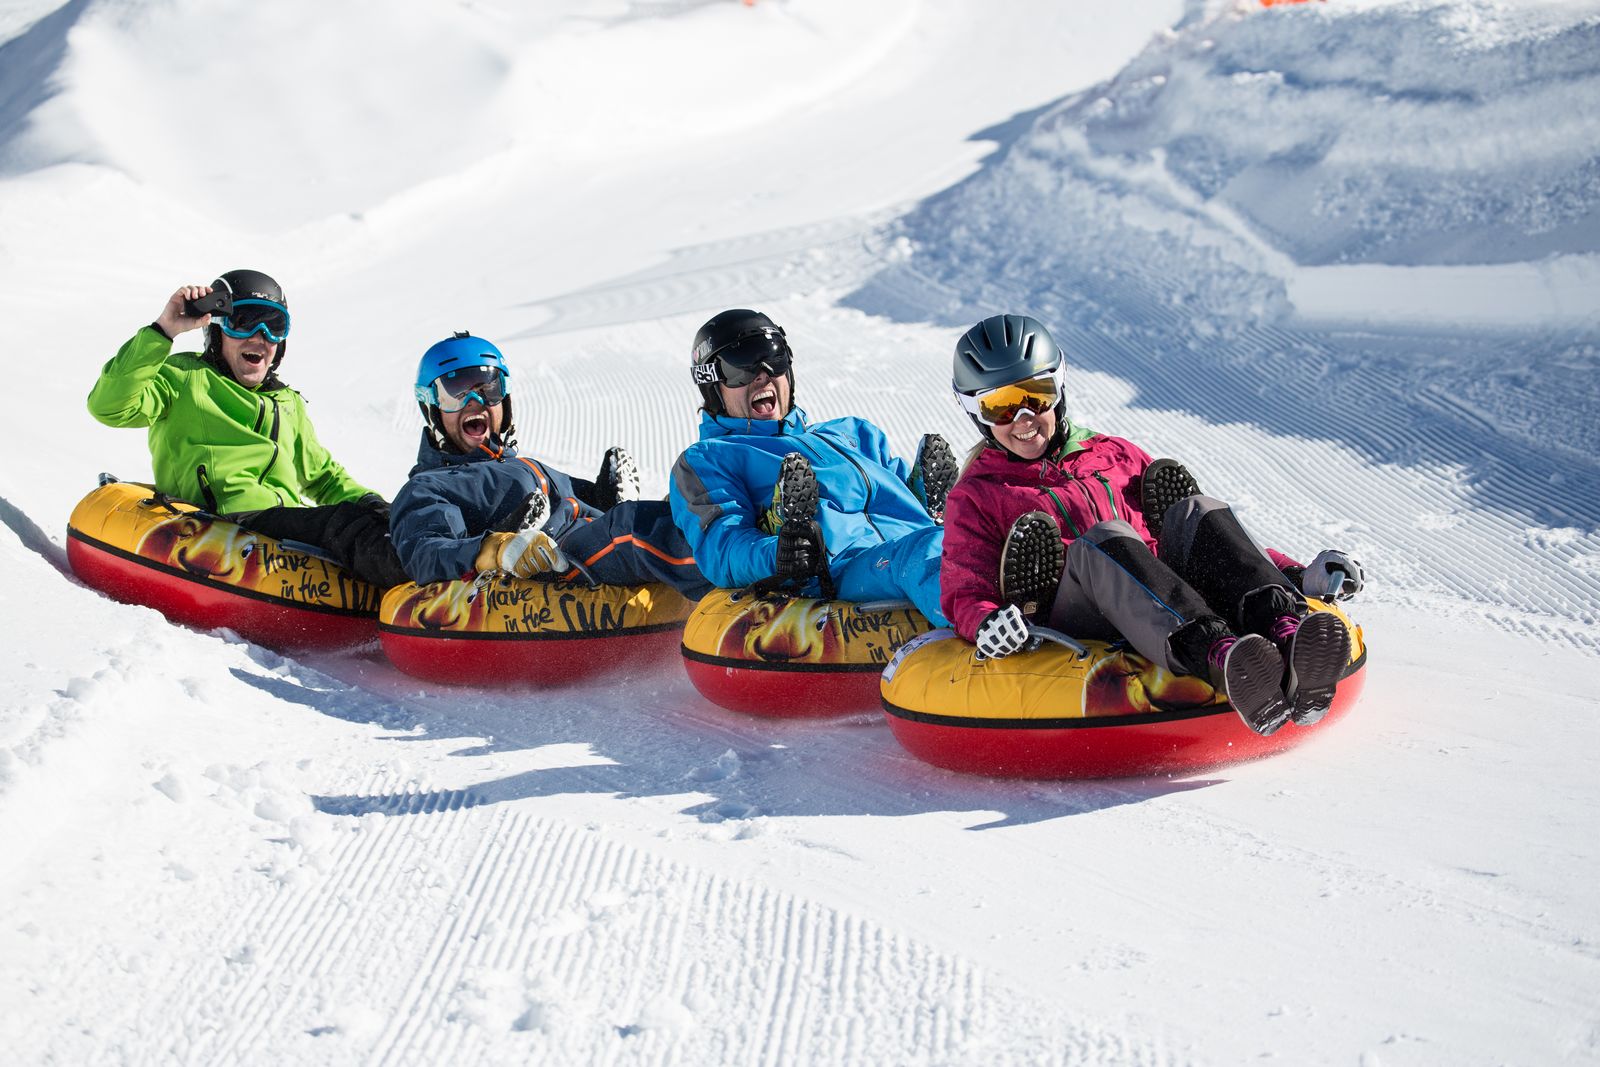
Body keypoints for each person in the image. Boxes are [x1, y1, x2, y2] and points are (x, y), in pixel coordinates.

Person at [939, 313, 1365, 736]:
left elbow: (1209, 546)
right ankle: (1222, 658)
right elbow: (963, 589)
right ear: (975, 413)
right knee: (1105, 539)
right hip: (1082, 615)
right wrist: (985, 622)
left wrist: (1294, 573)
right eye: (1001, 406)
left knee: (1195, 510)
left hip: (1160, 599)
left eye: (1036, 394)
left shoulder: (1115, 454)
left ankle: (1287, 635)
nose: (1024, 418)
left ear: (1060, 386)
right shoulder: (977, 494)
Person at [87, 270, 407, 587]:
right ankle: (420, 580)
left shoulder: (286, 402)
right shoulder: (185, 378)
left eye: (274, 326)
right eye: (244, 323)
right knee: (346, 525)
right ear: (217, 331)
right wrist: (163, 330)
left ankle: (430, 572)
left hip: (281, 529)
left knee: (400, 515)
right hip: (224, 523)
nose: (260, 336)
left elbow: (323, 476)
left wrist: (377, 506)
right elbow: (110, 407)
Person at [667, 309, 958, 625]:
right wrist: (781, 554)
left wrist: (921, 499)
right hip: (845, 567)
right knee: (921, 551)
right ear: (713, 386)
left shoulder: (854, 433)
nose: (763, 374)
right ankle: (984, 623)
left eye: (774, 358)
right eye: (740, 367)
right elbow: (723, 548)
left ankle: (951, 530)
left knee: (976, 535)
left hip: (919, 547)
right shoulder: (709, 458)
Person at [387, 332, 712, 600]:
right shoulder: (428, 487)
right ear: (431, 408)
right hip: (551, 566)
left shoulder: (522, 466)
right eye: (455, 393)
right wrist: (493, 548)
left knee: (683, 506)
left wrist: (604, 497)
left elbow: (579, 508)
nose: (475, 403)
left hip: (590, 547)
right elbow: (424, 549)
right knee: (630, 528)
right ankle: (734, 570)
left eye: (489, 388)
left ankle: (738, 540)